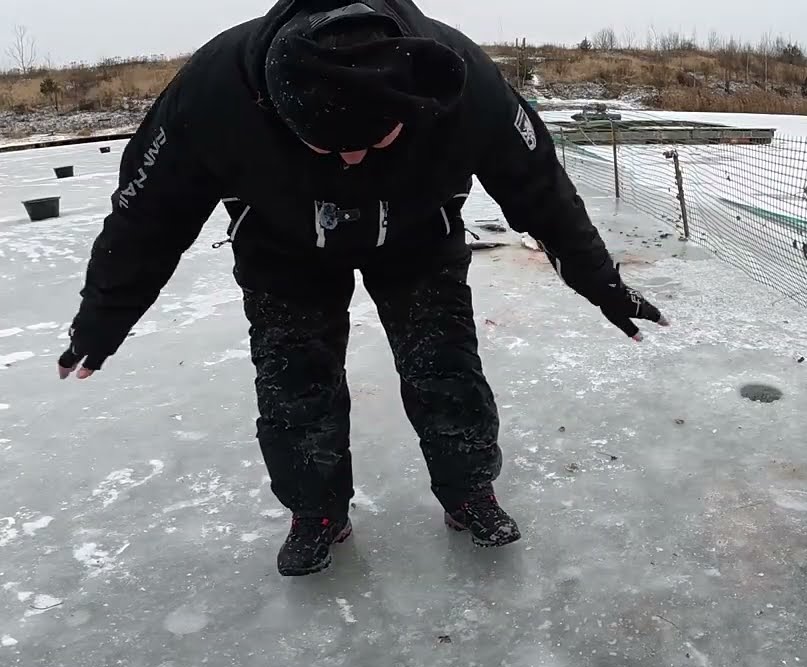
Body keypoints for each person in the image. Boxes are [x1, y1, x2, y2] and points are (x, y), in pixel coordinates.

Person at [55, 0, 667, 576]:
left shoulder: (459, 80)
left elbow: (542, 190)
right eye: (327, 145)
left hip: (417, 236)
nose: (351, 160)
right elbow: (146, 217)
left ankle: (469, 489)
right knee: (294, 379)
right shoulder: (214, 93)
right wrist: (101, 320)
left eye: (373, 141)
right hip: (283, 245)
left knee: (445, 366)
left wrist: (603, 284)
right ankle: (315, 510)